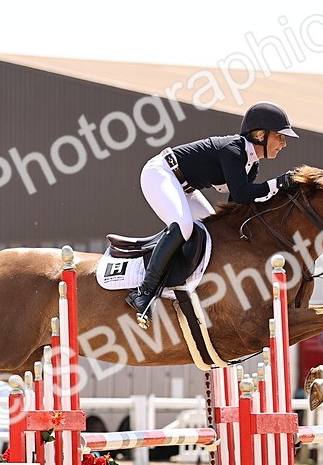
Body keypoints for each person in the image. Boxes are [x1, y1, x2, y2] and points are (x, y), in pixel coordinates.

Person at [125, 102, 300, 323]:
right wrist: (278, 183)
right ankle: (143, 293)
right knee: (184, 226)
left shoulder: (251, 164)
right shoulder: (234, 150)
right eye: (280, 137)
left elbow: (236, 205)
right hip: (160, 173)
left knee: (213, 234)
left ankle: (189, 291)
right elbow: (243, 193)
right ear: (260, 135)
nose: (283, 144)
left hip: (186, 188)